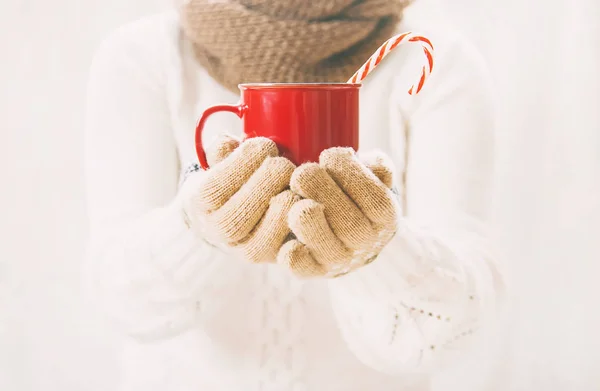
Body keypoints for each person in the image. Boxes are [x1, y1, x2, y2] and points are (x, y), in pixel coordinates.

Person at [83, 0, 505, 390]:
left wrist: (378, 252)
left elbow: (450, 334)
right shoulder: (143, 56)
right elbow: (123, 304)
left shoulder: (436, 62)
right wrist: (198, 228)